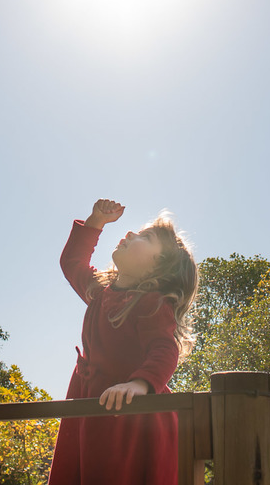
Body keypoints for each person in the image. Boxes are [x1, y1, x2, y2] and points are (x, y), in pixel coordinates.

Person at [48, 198, 199, 485]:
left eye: (146, 237)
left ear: (159, 265)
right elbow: (72, 263)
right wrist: (95, 223)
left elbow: (165, 349)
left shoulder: (152, 303)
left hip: (130, 413)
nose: (131, 233)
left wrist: (138, 385)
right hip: (91, 404)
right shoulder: (99, 291)